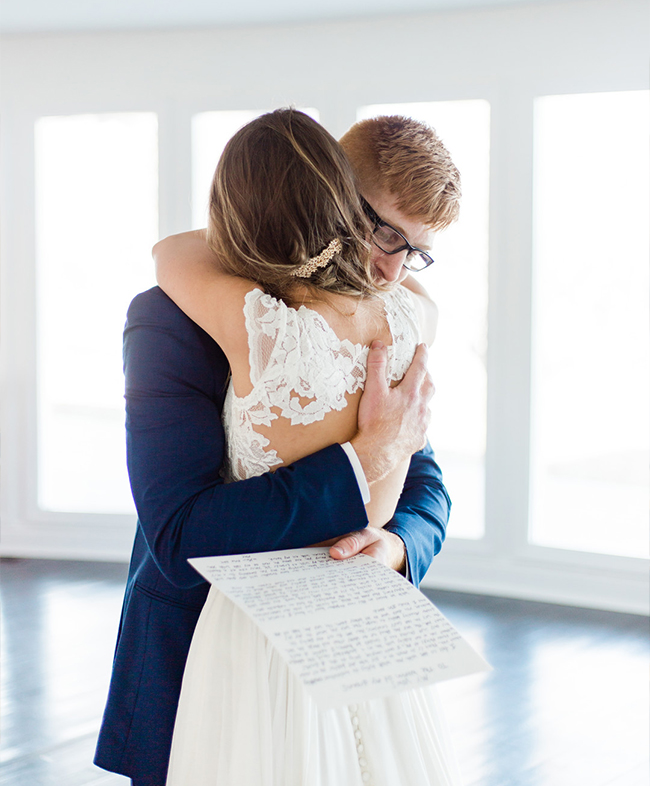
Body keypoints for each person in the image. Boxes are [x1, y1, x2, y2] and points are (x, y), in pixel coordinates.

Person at [94, 111, 460, 786]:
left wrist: (396, 544)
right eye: (382, 231)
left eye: (416, 250)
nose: (391, 267)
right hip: (206, 656)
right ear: (328, 189)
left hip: (354, 636)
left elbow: (426, 482)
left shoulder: (387, 319)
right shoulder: (170, 316)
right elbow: (178, 534)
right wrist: (365, 462)